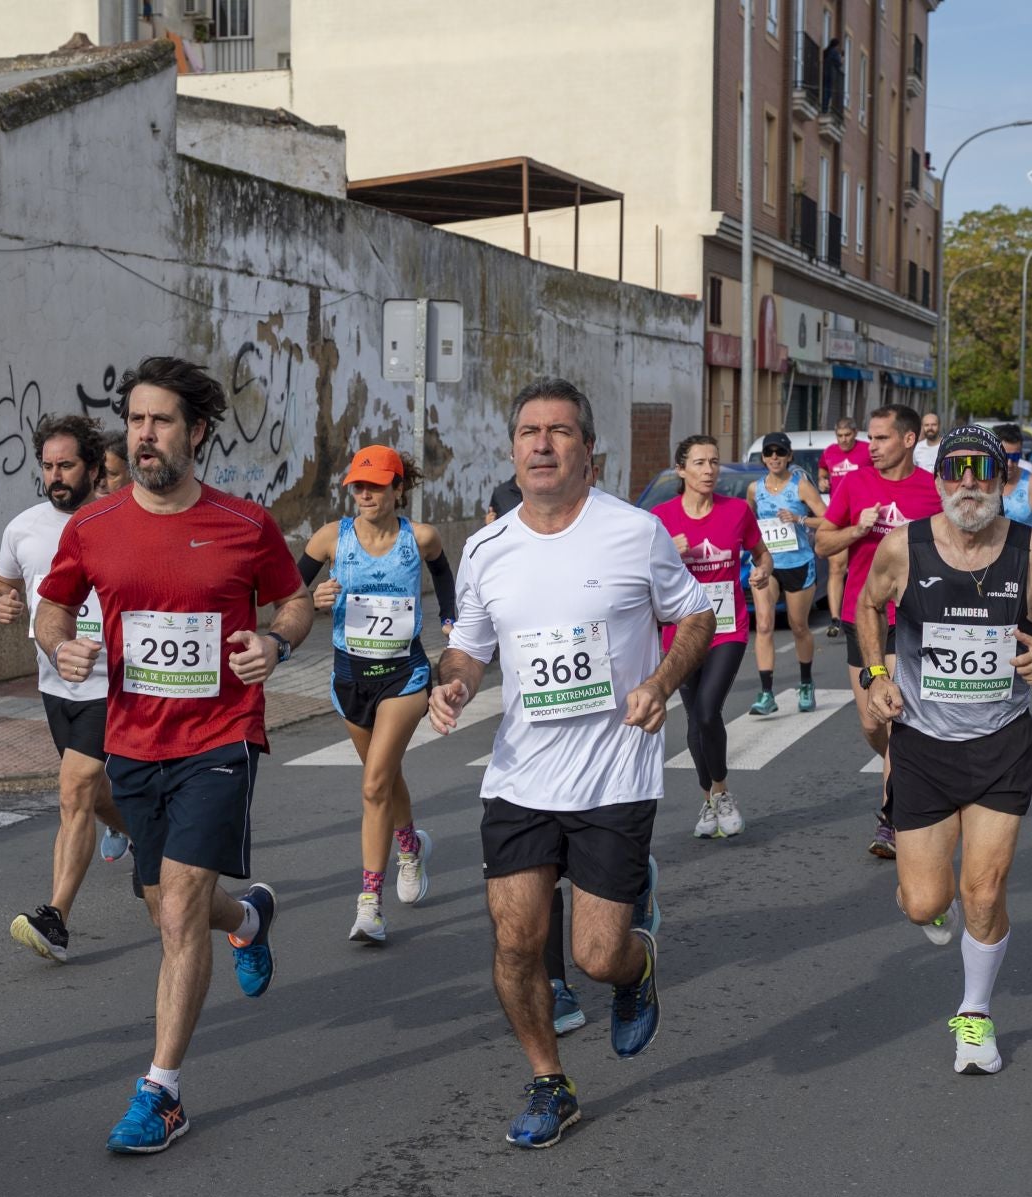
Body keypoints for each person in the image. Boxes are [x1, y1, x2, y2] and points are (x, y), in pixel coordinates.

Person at [37, 355, 313, 1155]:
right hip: (133, 741)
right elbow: (54, 606)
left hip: (220, 740)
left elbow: (292, 599)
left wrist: (275, 639)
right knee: (163, 904)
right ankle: (251, 917)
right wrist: (61, 648)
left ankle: (161, 1092)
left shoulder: (246, 524)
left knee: (182, 910)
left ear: (195, 432)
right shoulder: (92, 528)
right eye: (136, 420)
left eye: (160, 421)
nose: (144, 434)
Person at [430, 376, 712, 1149]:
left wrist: (660, 682)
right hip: (521, 775)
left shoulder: (634, 532)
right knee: (516, 942)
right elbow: (469, 647)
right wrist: (452, 682)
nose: (543, 443)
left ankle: (636, 966)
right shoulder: (488, 548)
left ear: (590, 449)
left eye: (559, 431)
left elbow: (695, 611)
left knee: (594, 953)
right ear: (514, 448)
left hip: (613, 774)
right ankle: (549, 1080)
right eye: (529, 431)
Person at [855, 424, 1032, 1075]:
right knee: (921, 901)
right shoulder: (903, 547)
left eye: (982, 471)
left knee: (985, 891)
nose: (969, 483)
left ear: (1003, 480)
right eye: (956, 470)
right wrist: (877, 677)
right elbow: (867, 604)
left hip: (1001, 743)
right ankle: (936, 907)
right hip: (923, 747)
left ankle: (975, 1012)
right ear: (939, 479)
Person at [298, 446, 456, 944]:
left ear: (398, 488)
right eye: (358, 487)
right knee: (382, 779)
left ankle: (370, 904)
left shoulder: (420, 537)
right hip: (349, 677)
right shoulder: (330, 539)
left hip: (404, 676)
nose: (365, 495)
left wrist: (450, 621)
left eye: (376, 486)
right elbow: (283, 596)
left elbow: (443, 574)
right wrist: (311, 598)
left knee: (371, 787)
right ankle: (409, 845)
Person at [0, 414, 135, 963]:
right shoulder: (23, 526)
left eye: (66, 465)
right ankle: (146, 836)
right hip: (55, 686)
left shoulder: (120, 522)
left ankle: (55, 918)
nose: (55, 476)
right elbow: (3, 580)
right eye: (48, 465)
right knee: (95, 795)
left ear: (94, 467)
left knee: (74, 791)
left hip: (111, 684)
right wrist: (1, 602)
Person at [813, 403, 942, 860]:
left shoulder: (933, 490)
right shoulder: (855, 483)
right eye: (870, 438)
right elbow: (822, 541)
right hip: (861, 614)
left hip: (912, 619)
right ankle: (904, 765)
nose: (873, 447)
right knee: (872, 722)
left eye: (882, 438)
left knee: (894, 716)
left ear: (909, 439)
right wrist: (855, 529)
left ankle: (891, 818)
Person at [655, 435, 771, 838]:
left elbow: (762, 554)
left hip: (727, 627)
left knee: (708, 710)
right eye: (700, 463)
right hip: (681, 630)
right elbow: (638, 574)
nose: (709, 470)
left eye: (714, 462)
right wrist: (667, 551)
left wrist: (763, 572)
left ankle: (721, 793)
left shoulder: (737, 511)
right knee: (693, 718)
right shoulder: (661, 519)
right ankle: (707, 802)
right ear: (681, 469)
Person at [746, 431, 825, 715]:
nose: (774, 457)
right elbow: (747, 522)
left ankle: (806, 683)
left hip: (799, 563)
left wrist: (799, 518)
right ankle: (766, 693)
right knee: (764, 625)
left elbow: (827, 518)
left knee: (798, 626)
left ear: (789, 456)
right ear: (763, 458)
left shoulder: (800, 486)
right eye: (769, 453)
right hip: (767, 564)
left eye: (780, 452)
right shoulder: (755, 489)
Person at [819, 418, 869, 636]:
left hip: (863, 515)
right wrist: (822, 480)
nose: (844, 440)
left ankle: (866, 610)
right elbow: (822, 469)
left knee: (865, 566)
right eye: (840, 436)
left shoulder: (867, 451)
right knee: (837, 568)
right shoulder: (829, 452)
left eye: (848, 435)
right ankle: (835, 618)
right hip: (839, 517)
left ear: (855, 433)